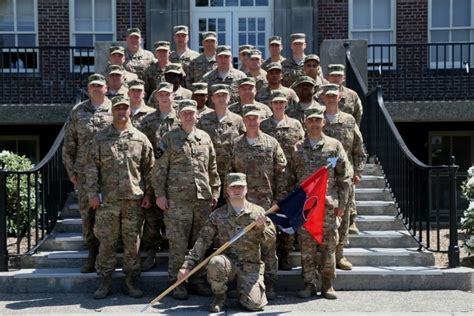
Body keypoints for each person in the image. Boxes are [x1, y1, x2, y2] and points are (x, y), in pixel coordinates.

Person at [85, 95, 155, 299]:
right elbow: (91, 168)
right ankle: (105, 281)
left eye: (125, 108)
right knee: (106, 242)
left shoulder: (140, 138)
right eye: (118, 109)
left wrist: (149, 194)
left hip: (133, 201)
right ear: (112, 111)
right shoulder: (100, 138)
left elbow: (150, 169)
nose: (122, 112)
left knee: (132, 243)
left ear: (130, 111)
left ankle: (130, 281)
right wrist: (92, 194)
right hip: (108, 201)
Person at [152, 99, 221, 299]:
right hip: (177, 202)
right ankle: (177, 283)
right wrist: (160, 195)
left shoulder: (205, 138)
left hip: (202, 201)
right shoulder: (169, 139)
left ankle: (198, 280)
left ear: (197, 115)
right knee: (178, 244)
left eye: (192, 113)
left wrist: (215, 192)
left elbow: (212, 168)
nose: (189, 116)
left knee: (200, 243)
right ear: (179, 116)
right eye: (185, 113)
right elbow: (159, 171)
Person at [178, 173, 269, 312]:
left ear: (246, 189)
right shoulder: (218, 215)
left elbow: (269, 242)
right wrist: (187, 265)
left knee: (255, 305)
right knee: (215, 262)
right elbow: (203, 241)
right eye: (233, 187)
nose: (237, 190)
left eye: (240, 187)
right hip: (228, 262)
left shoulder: (258, 213)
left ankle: (242, 290)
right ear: (227, 190)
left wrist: (260, 228)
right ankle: (220, 296)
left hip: (250, 265)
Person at [288, 105, 350, 299]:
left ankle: (327, 284)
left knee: (328, 247)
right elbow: (289, 177)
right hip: (305, 207)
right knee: (307, 248)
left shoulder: (334, 146)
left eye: (318, 120)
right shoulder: (297, 148)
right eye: (311, 120)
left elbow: (344, 176)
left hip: (328, 206)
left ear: (323, 122)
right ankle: (308, 284)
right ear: (305, 123)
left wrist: (342, 204)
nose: (314, 123)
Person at [229, 104, 287, 299]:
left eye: (255, 118)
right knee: (242, 243)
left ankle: (269, 284)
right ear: (243, 121)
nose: (252, 121)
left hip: (266, 203)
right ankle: (240, 283)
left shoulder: (271, 143)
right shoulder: (236, 144)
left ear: (261, 120)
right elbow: (227, 173)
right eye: (248, 118)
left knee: (268, 246)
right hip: (242, 205)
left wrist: (279, 198)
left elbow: (282, 172)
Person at [62, 73, 113, 274]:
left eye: (100, 86)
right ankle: (92, 254)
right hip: (84, 173)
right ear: (88, 88)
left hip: (111, 173)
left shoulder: (115, 109)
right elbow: (69, 144)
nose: (96, 89)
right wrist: (71, 170)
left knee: (109, 215)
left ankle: (108, 256)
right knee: (87, 216)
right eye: (93, 86)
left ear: (106, 88)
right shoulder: (78, 111)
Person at [319, 84, 367, 270]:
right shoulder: (316, 119)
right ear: (323, 98)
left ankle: (339, 255)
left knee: (344, 216)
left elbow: (358, 148)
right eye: (328, 96)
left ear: (339, 98)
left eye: (334, 96)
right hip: (322, 177)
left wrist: (359, 171)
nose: (331, 99)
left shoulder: (348, 120)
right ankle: (321, 258)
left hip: (344, 178)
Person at [260, 90, 305, 270]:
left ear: (286, 104)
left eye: (281, 102)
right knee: (270, 216)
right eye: (275, 102)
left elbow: (303, 145)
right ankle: (269, 256)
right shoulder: (264, 125)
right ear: (271, 104)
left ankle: (285, 255)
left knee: (287, 217)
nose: (278, 105)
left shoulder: (295, 124)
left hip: (291, 177)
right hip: (269, 178)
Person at [197, 84, 245, 204]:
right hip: (210, 173)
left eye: (224, 95)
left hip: (231, 173)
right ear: (212, 99)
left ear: (229, 98)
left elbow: (243, 143)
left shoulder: (238, 120)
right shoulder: (203, 120)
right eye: (218, 95)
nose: (221, 98)